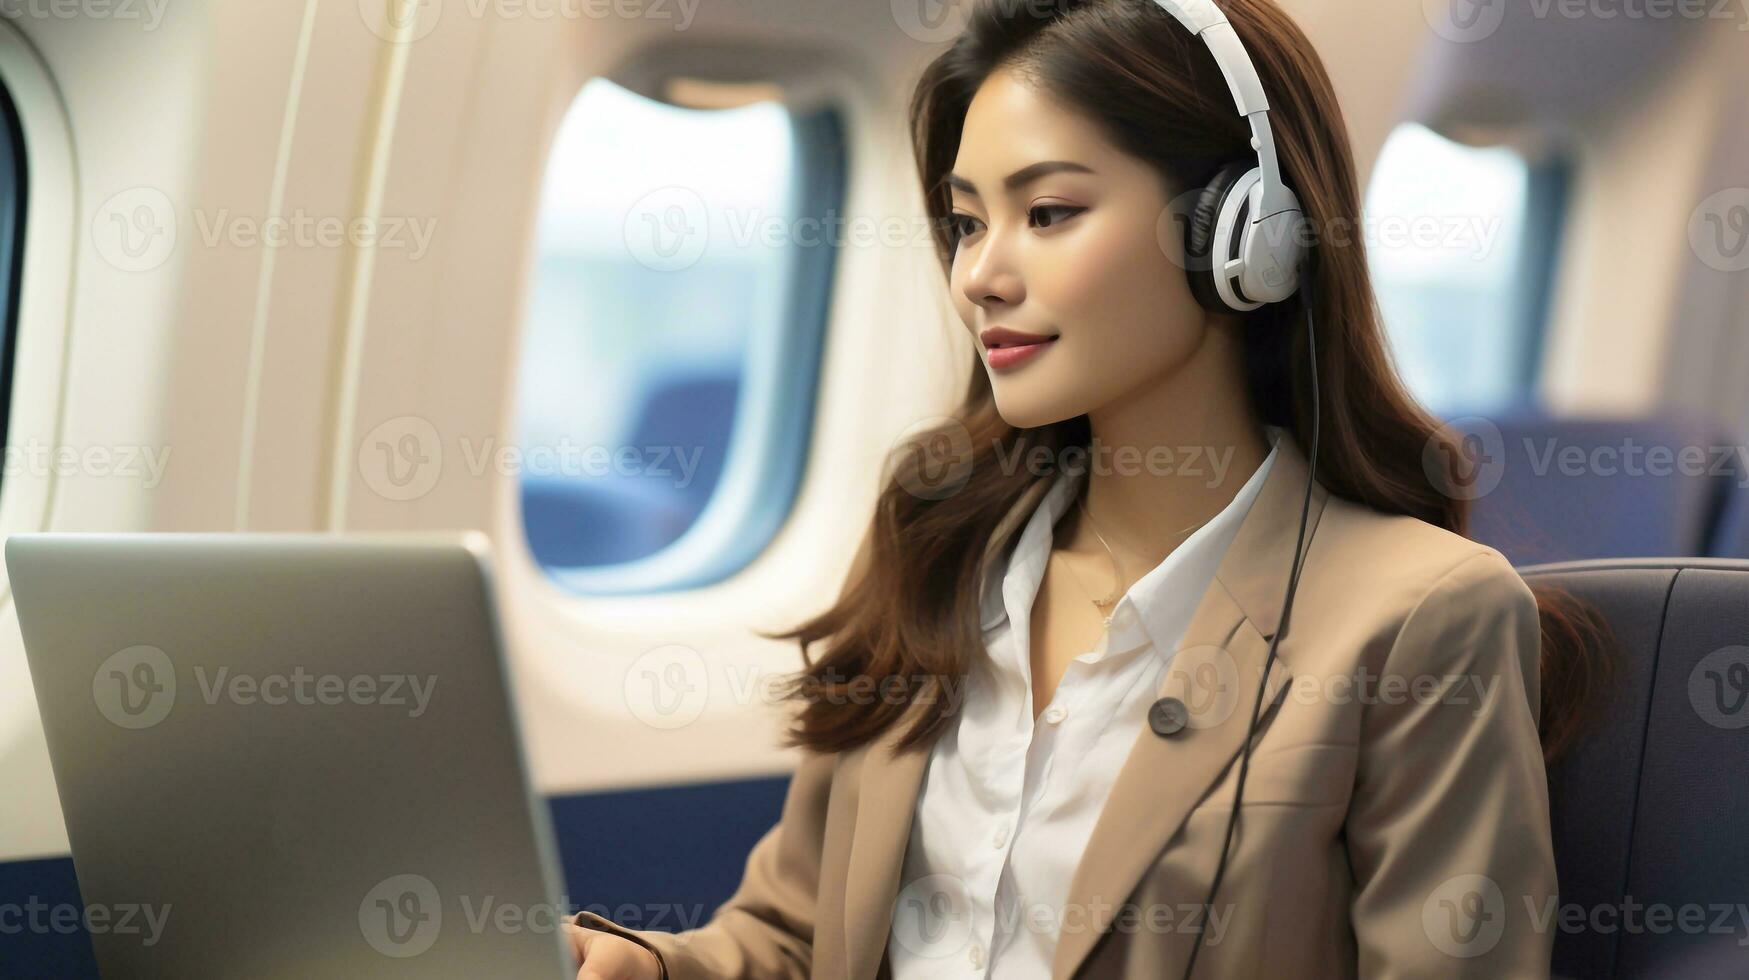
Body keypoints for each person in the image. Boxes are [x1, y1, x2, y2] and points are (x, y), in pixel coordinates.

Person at [565, 1, 1609, 976]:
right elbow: (796, 930)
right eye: (969, 222)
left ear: (1243, 237)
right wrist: (654, 965)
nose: (980, 272)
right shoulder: (936, 538)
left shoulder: (1424, 618)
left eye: (1050, 211)